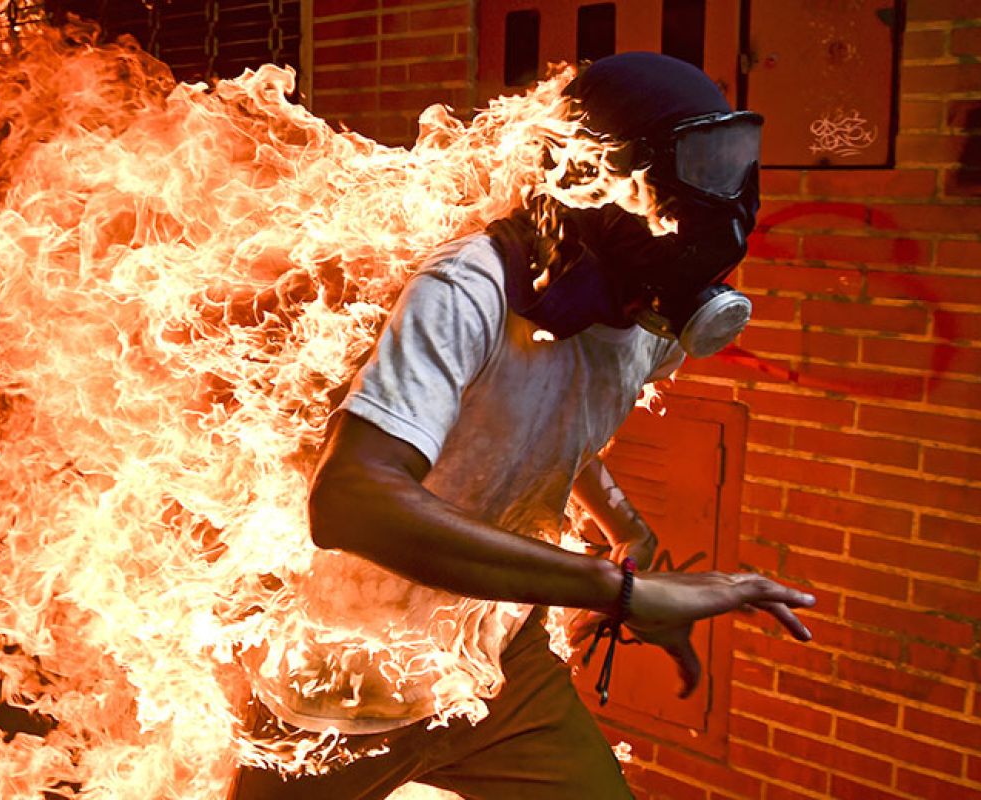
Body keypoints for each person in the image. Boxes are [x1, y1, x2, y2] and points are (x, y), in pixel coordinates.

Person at [229, 52, 815, 800]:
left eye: (733, 162)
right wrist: (620, 592)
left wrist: (625, 532)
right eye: (699, 164)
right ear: (591, 176)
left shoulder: (648, 319)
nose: (721, 199)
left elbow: (548, 425)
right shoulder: (465, 289)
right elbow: (352, 498)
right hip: (350, 684)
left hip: (499, 662)